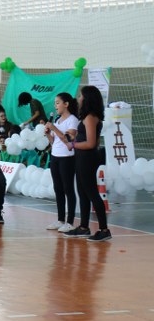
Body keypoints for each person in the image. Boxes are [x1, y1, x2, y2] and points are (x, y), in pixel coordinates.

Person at [64, 86, 110, 241]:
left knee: (91, 193)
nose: (79, 98)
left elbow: (91, 143)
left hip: (87, 158)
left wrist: (73, 144)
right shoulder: (90, 116)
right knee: (82, 192)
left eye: (81, 96)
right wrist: (75, 138)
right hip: (83, 157)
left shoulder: (90, 117)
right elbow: (92, 140)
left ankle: (104, 229)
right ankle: (84, 227)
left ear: (87, 98)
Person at [44, 92, 79, 233]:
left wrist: (54, 129)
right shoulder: (58, 120)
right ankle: (60, 219)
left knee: (68, 188)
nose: (55, 106)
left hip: (67, 157)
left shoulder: (72, 120)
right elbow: (54, 142)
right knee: (58, 188)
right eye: (55, 103)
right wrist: (48, 134)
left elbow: (68, 139)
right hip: (55, 156)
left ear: (66, 104)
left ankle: (70, 221)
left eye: (58, 103)